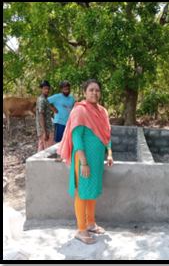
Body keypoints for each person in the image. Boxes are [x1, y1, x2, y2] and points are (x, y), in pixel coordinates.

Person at [57, 79, 113, 244]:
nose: (94, 93)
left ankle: (90, 223)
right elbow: (77, 138)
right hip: (84, 160)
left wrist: (109, 153)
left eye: (97, 90)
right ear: (84, 93)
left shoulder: (102, 111)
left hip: (96, 160)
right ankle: (81, 230)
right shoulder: (80, 111)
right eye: (91, 90)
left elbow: (106, 135)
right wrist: (84, 162)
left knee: (92, 192)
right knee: (82, 194)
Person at [48, 80, 75, 162]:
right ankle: (58, 156)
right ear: (61, 89)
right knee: (59, 141)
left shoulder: (71, 98)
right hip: (59, 122)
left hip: (69, 123)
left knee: (68, 140)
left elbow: (73, 108)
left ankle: (66, 157)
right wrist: (53, 109)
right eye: (65, 89)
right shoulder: (57, 97)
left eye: (68, 89)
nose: (67, 91)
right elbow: (45, 101)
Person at [36, 80, 54, 152]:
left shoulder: (45, 99)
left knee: (41, 150)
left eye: (48, 88)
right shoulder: (41, 100)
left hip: (44, 129)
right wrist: (45, 132)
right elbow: (41, 116)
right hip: (46, 129)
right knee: (48, 151)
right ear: (41, 89)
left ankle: (37, 163)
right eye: (45, 89)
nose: (47, 90)